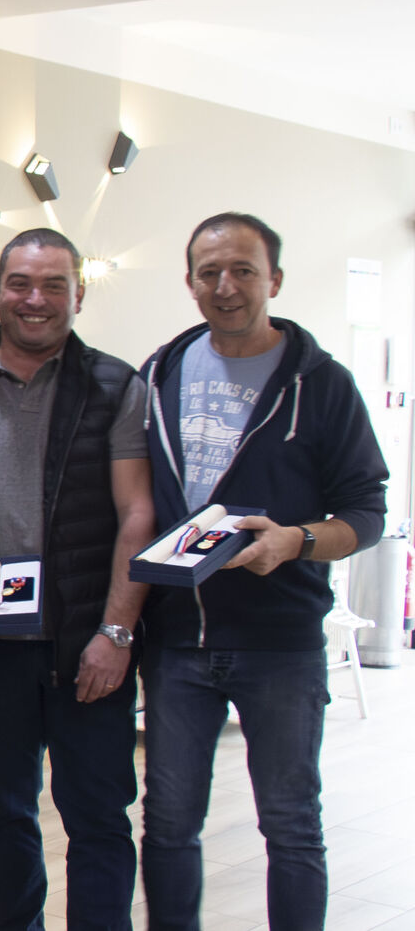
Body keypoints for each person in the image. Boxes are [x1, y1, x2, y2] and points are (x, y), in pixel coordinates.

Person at [136, 213, 388, 931]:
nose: (226, 285)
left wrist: (296, 541)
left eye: (243, 269)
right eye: (209, 271)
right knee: (169, 824)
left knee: (290, 824)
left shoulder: (323, 384)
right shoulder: (159, 373)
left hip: (281, 642)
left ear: (274, 278)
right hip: (178, 639)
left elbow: (366, 511)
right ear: (189, 283)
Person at [0, 229, 155, 931]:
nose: (35, 299)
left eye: (55, 285)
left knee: (98, 819)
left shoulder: (117, 385)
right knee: (3, 815)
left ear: (78, 295)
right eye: (20, 283)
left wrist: (115, 633)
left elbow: (137, 513)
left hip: (87, 648)